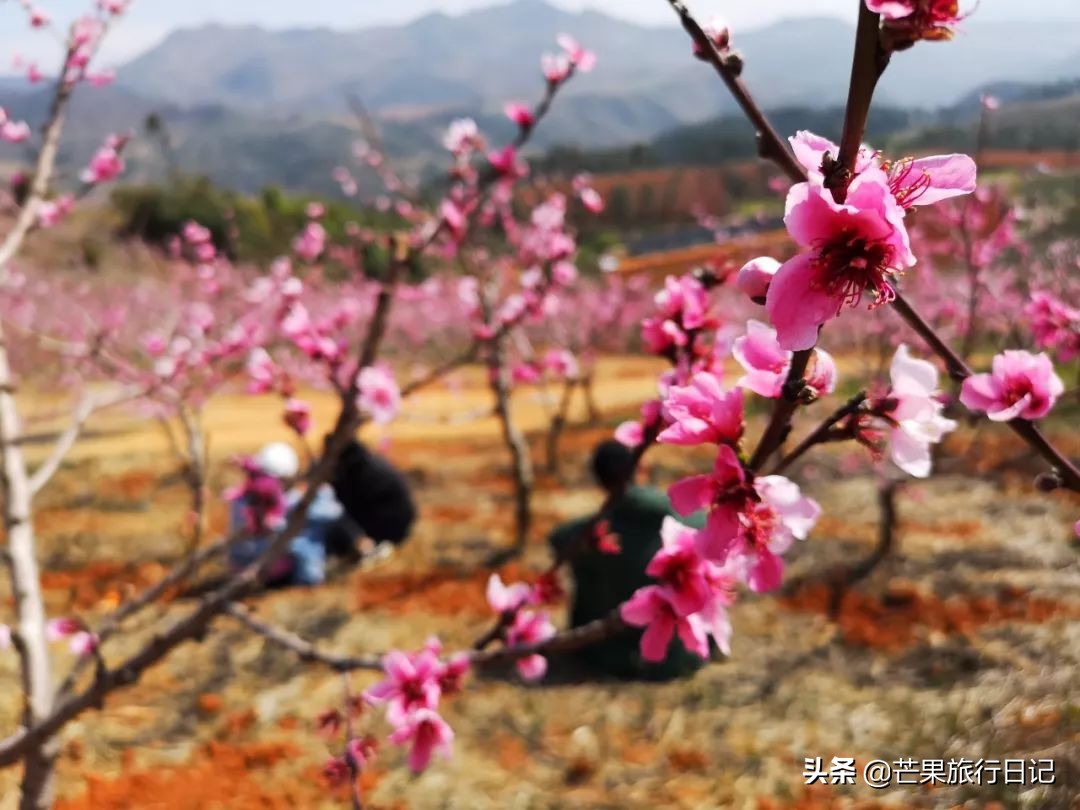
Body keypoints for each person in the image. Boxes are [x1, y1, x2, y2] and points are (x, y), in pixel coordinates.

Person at [548, 440, 706, 680]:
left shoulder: (580, 536)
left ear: (599, 479)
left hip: (602, 657)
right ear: (640, 467)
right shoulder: (694, 522)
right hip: (680, 658)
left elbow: (558, 539)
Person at [228, 442, 345, 587]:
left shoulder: (240, 497)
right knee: (306, 535)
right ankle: (309, 580)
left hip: (239, 569)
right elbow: (333, 513)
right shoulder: (282, 501)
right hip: (272, 571)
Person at [326, 438, 417, 561]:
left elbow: (343, 502)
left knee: (333, 513)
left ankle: (363, 548)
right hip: (399, 522)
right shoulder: (369, 462)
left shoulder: (359, 471)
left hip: (389, 526)